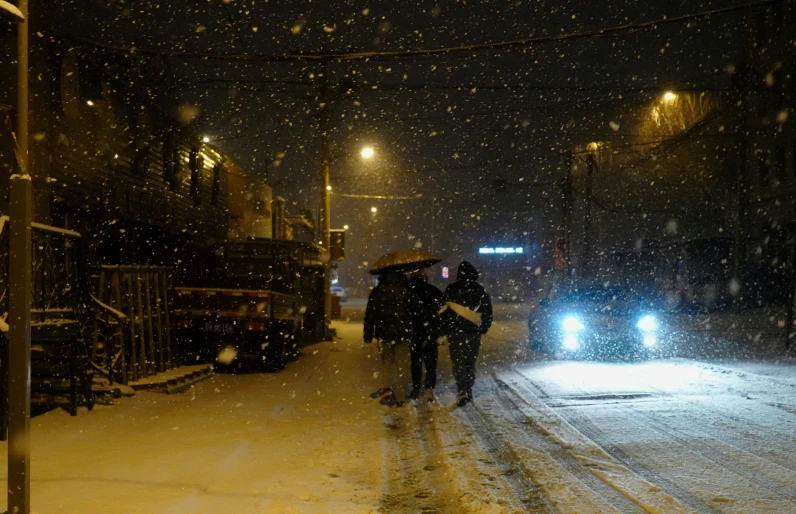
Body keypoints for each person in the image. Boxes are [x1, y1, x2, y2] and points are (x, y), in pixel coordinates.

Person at [439, 261, 493, 407]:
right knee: (470, 361)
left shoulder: (451, 289)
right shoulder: (480, 290)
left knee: (458, 362)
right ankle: (468, 387)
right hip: (473, 332)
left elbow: (444, 312)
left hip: (455, 332)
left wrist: (445, 329)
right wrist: (483, 328)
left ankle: (462, 388)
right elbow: (487, 312)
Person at [363, 270, 413, 407]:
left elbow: (370, 313)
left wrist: (368, 333)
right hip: (403, 333)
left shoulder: (378, 291)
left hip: (384, 333)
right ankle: (400, 397)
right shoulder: (407, 290)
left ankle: (386, 391)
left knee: (387, 363)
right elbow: (413, 312)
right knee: (402, 366)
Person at [407, 270, 443, 402]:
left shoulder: (408, 293)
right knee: (431, 362)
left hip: (415, 332)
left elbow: (405, 312)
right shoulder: (433, 291)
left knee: (415, 362)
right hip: (431, 332)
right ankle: (429, 387)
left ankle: (416, 387)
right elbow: (442, 310)